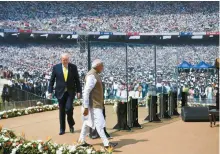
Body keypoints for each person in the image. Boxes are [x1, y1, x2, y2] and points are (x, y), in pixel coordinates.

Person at [78, 59, 118, 150]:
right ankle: (107, 144)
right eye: (102, 66)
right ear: (98, 66)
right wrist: (86, 106)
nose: (103, 68)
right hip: (93, 105)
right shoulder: (92, 76)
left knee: (87, 123)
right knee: (99, 124)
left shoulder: (95, 74)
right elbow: (86, 92)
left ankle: (81, 140)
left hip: (94, 104)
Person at [48, 53, 81, 135]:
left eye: (67, 60)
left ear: (68, 60)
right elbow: (52, 80)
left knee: (69, 109)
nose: (65, 61)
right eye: (64, 60)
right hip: (60, 92)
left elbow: (77, 80)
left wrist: (79, 91)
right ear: (61, 60)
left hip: (70, 92)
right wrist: (50, 91)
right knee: (62, 111)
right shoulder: (56, 68)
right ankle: (62, 129)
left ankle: (71, 124)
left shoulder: (73, 67)